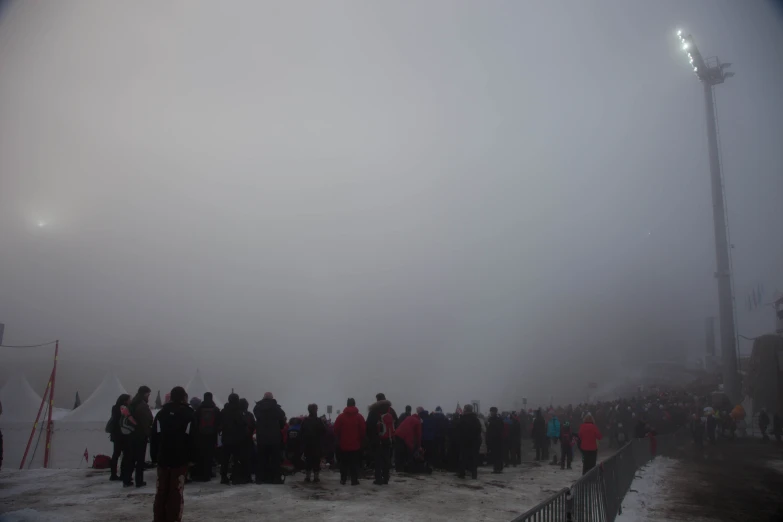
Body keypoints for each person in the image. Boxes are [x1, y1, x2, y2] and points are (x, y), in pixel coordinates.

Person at [150, 386, 194, 522]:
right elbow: (192, 438)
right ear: (183, 398)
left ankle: (158, 518)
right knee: (176, 492)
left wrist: (154, 456)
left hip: (163, 458)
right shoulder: (188, 414)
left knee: (161, 491)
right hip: (180, 459)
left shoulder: (161, 414)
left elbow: (154, 437)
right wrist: (192, 458)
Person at [253, 392, 286, 484]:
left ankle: (260, 478)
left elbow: (257, 416)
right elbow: (282, 415)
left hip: (261, 437)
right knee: (275, 459)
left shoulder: (257, 407)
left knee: (261, 458)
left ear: (263, 398)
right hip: (274, 437)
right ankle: (275, 478)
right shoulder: (276, 407)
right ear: (272, 398)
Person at [333, 398, 366, 485]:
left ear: (347, 404)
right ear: (354, 404)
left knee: (344, 463)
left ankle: (343, 479)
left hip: (343, 445)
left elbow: (335, 429)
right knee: (354, 463)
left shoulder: (341, 417)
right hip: (356, 445)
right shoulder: (359, 417)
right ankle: (354, 480)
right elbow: (363, 430)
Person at [367, 395, 397, 485]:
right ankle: (386, 477)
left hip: (377, 439)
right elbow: (396, 422)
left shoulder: (374, 411)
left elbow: (369, 425)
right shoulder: (391, 410)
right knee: (386, 458)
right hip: (388, 439)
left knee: (378, 460)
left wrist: (371, 438)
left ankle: (378, 479)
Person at [219, 393, 247, 485]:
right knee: (236, 458)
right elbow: (242, 424)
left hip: (226, 437)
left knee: (225, 459)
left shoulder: (224, 411)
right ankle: (235, 476)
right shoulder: (238, 411)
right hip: (237, 439)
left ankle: (223, 477)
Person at [193, 392, 221, 482]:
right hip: (212, 436)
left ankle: (200, 474)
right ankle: (208, 474)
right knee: (209, 455)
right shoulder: (215, 409)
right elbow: (219, 422)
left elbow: (195, 422)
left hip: (200, 436)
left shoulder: (199, 409)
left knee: (200, 454)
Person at [130, 385, 153, 488]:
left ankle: (127, 478)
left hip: (131, 434)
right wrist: (148, 433)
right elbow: (147, 419)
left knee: (131, 457)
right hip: (140, 434)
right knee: (140, 458)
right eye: (148, 394)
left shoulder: (132, 403)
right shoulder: (142, 405)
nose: (148, 397)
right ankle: (139, 480)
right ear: (144, 394)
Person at [108, 393, 132, 481]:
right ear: (125, 401)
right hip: (123, 435)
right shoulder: (124, 409)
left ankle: (113, 474)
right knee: (126, 455)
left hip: (115, 435)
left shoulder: (115, 408)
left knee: (116, 454)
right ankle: (123, 474)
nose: (130, 401)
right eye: (129, 399)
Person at [301, 404, 326, 483]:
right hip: (317, 444)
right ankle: (316, 477)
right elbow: (324, 431)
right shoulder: (318, 421)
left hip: (308, 444)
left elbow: (301, 432)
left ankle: (307, 477)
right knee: (316, 461)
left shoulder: (305, 421)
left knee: (308, 460)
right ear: (315, 410)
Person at [394, 407, 423, 477]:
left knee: (399, 452)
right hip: (404, 437)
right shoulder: (418, 422)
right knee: (408, 452)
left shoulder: (408, 418)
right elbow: (418, 435)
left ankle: (398, 468)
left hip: (397, 434)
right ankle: (408, 468)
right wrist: (418, 446)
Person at [457, 404, 481, 479]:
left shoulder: (463, 419)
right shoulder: (476, 419)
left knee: (463, 457)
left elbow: (459, 430)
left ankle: (462, 473)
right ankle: (474, 474)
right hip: (474, 441)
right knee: (474, 458)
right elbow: (478, 430)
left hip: (465, 441)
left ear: (466, 410)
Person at [238, 398, 256, 483]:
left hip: (238, 440)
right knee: (248, 458)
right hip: (248, 439)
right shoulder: (249, 415)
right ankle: (247, 476)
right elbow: (253, 425)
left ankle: (239, 475)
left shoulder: (236, 414)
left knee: (238, 458)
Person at [486, 407, 504, 474]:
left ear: (494, 412)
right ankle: (497, 468)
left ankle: (497, 468)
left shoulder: (494, 420)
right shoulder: (495, 419)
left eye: (492, 411)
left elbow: (491, 430)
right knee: (496, 455)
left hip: (496, 439)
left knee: (497, 455)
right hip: (496, 439)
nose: (491, 412)